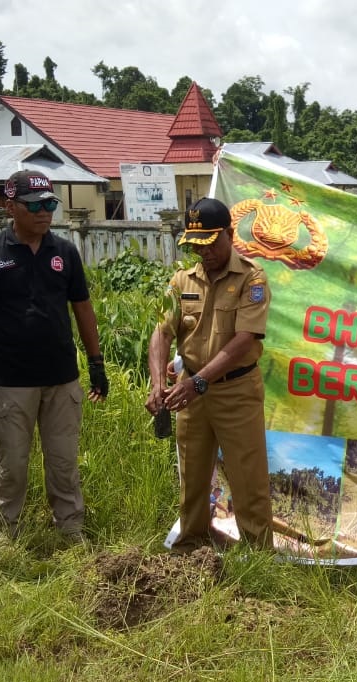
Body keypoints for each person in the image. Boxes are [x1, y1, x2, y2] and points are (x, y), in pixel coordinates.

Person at [0, 170, 108, 543]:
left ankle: (71, 528)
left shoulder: (65, 252)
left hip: (61, 377)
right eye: (35, 206)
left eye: (50, 205)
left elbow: (83, 309)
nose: (45, 213)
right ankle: (6, 534)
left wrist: (96, 364)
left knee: (63, 462)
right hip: (11, 380)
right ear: (10, 207)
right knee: (12, 465)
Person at [145, 198, 273, 553]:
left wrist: (199, 381)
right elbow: (161, 332)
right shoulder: (181, 280)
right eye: (196, 245)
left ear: (230, 235)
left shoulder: (252, 278)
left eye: (211, 243)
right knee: (193, 477)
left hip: (236, 392)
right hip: (189, 396)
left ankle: (258, 555)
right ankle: (191, 548)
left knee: (249, 480)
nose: (204, 252)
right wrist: (158, 384)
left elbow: (244, 341)